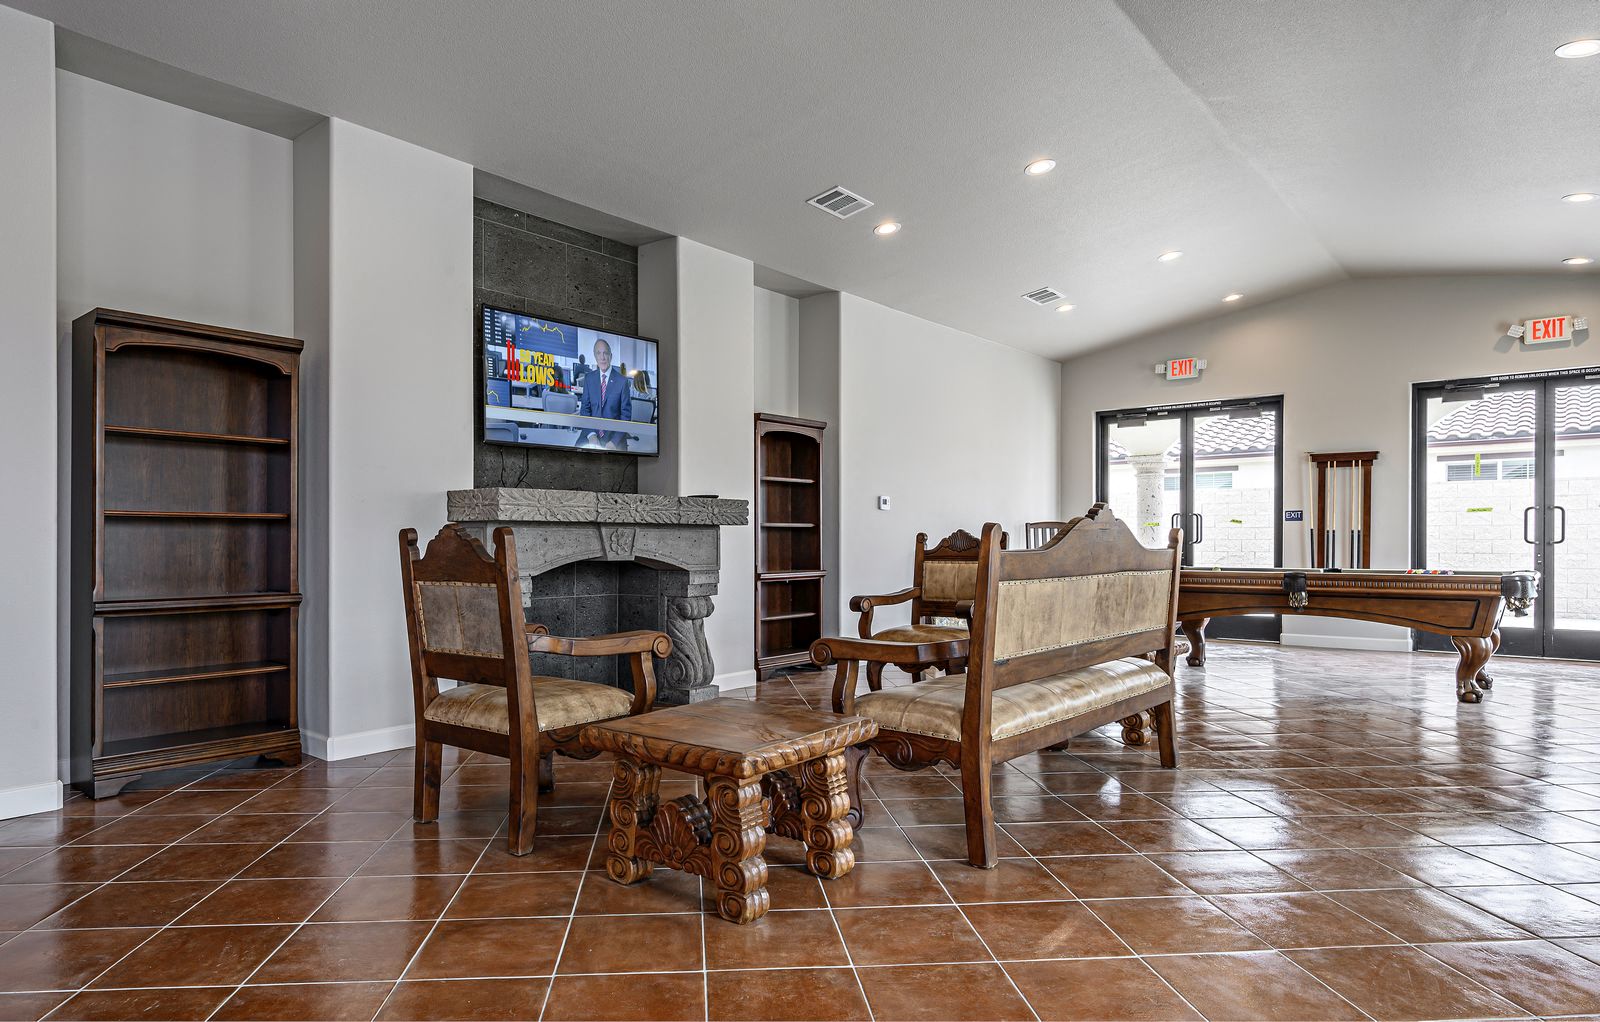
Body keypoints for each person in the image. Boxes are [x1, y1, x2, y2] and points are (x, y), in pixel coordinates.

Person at [576, 337, 631, 448]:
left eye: (605, 353)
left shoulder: (622, 381)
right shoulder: (589, 378)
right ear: (595, 356)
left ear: (611, 356)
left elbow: (625, 416)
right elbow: (585, 410)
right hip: (591, 433)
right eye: (598, 353)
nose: (602, 357)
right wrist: (591, 435)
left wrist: (614, 442)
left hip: (614, 437)